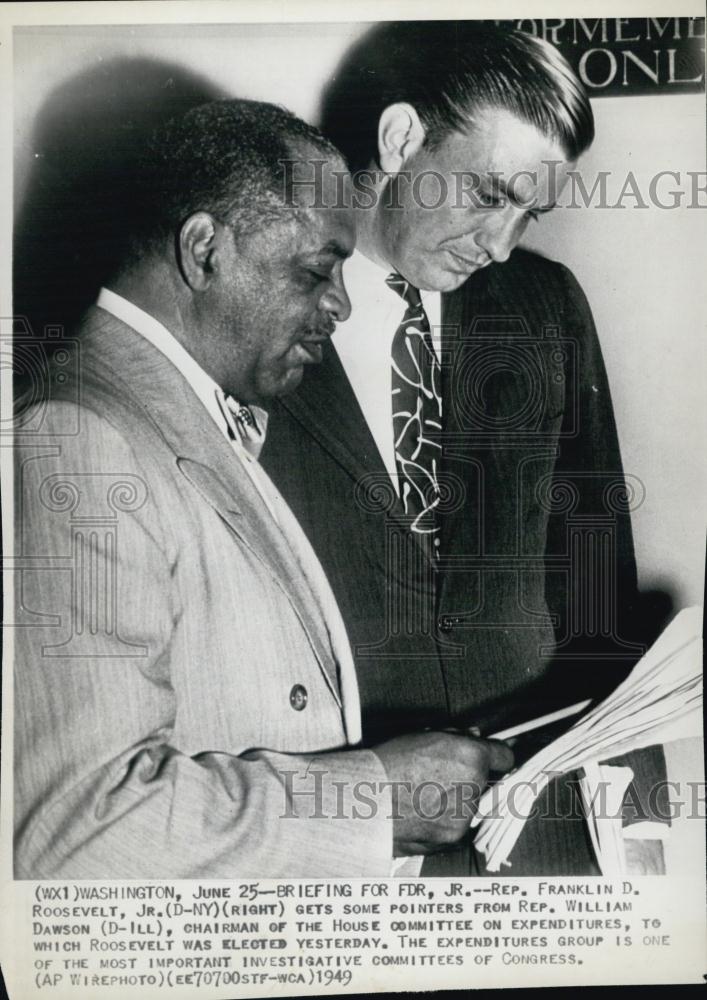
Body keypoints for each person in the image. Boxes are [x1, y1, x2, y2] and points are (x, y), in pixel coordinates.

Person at [12, 99, 513, 880]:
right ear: (204, 249)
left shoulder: (182, 412)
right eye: (316, 271)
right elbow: (82, 828)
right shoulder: (80, 439)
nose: (341, 306)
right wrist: (376, 799)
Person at [261, 23, 667, 876]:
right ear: (402, 137)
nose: (501, 242)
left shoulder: (544, 303)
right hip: (336, 828)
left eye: (527, 211)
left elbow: (595, 561)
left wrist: (632, 805)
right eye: (488, 193)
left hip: (539, 822)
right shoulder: (258, 314)